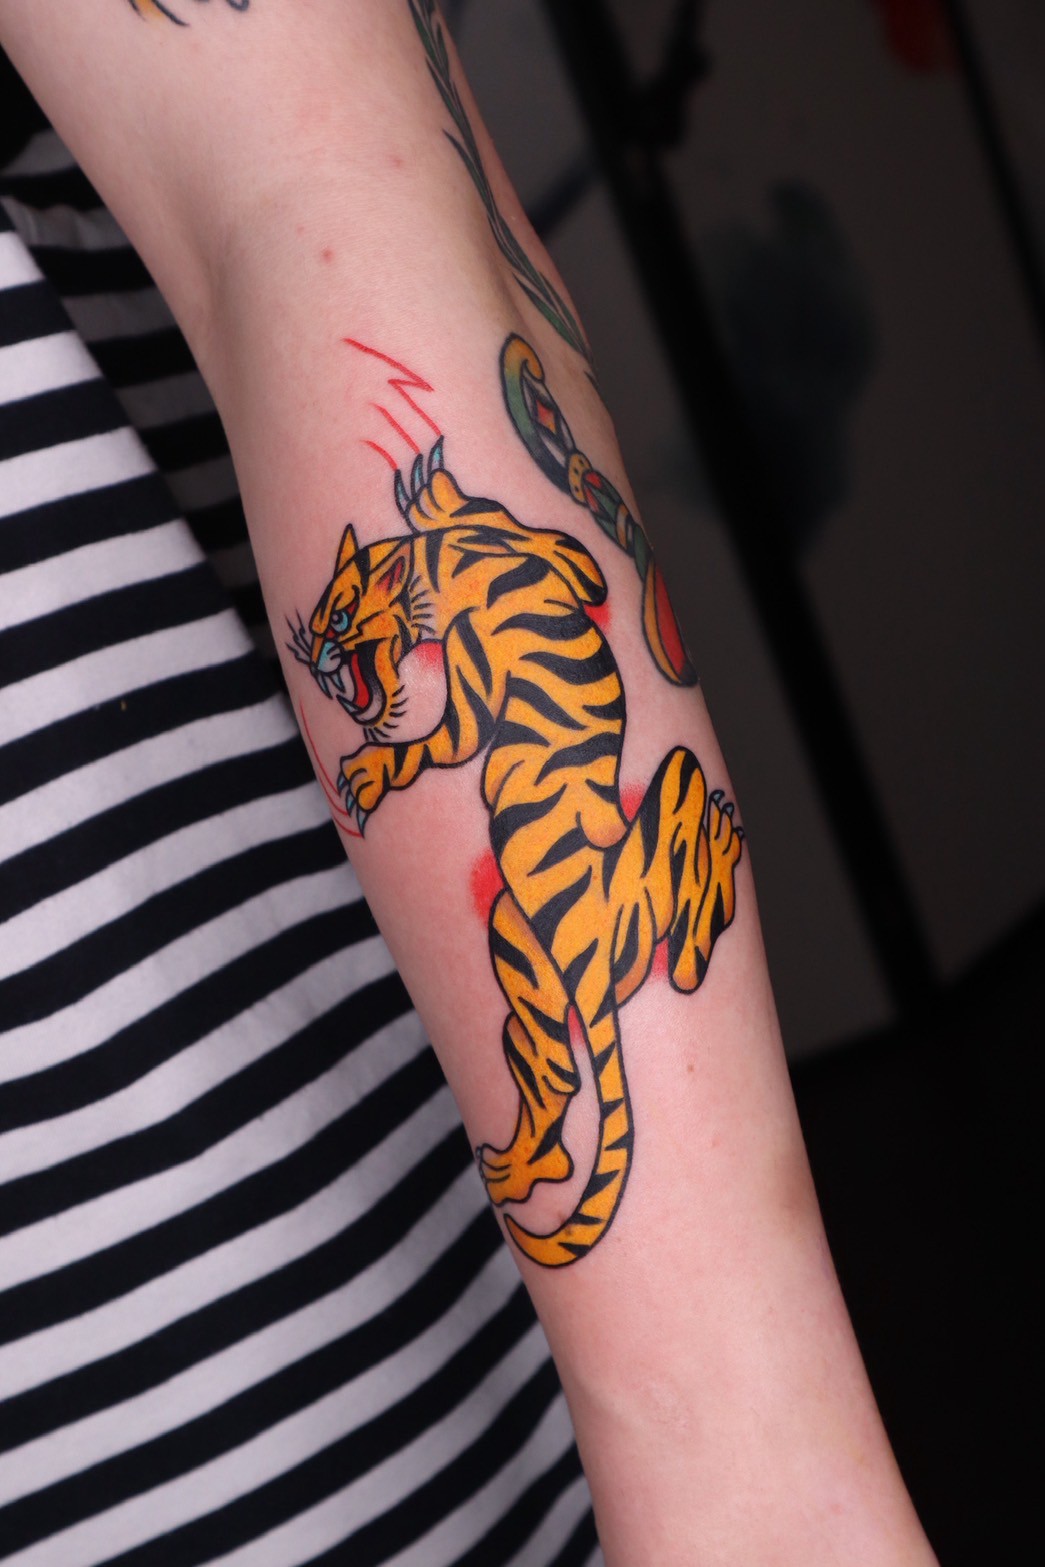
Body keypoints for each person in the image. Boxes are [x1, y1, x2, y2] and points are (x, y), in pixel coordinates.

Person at [0, 3, 938, 1562]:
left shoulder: (470, 583)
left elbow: (322, 190)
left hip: (283, 1348)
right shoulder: (450, 615)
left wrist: (751, 1484)